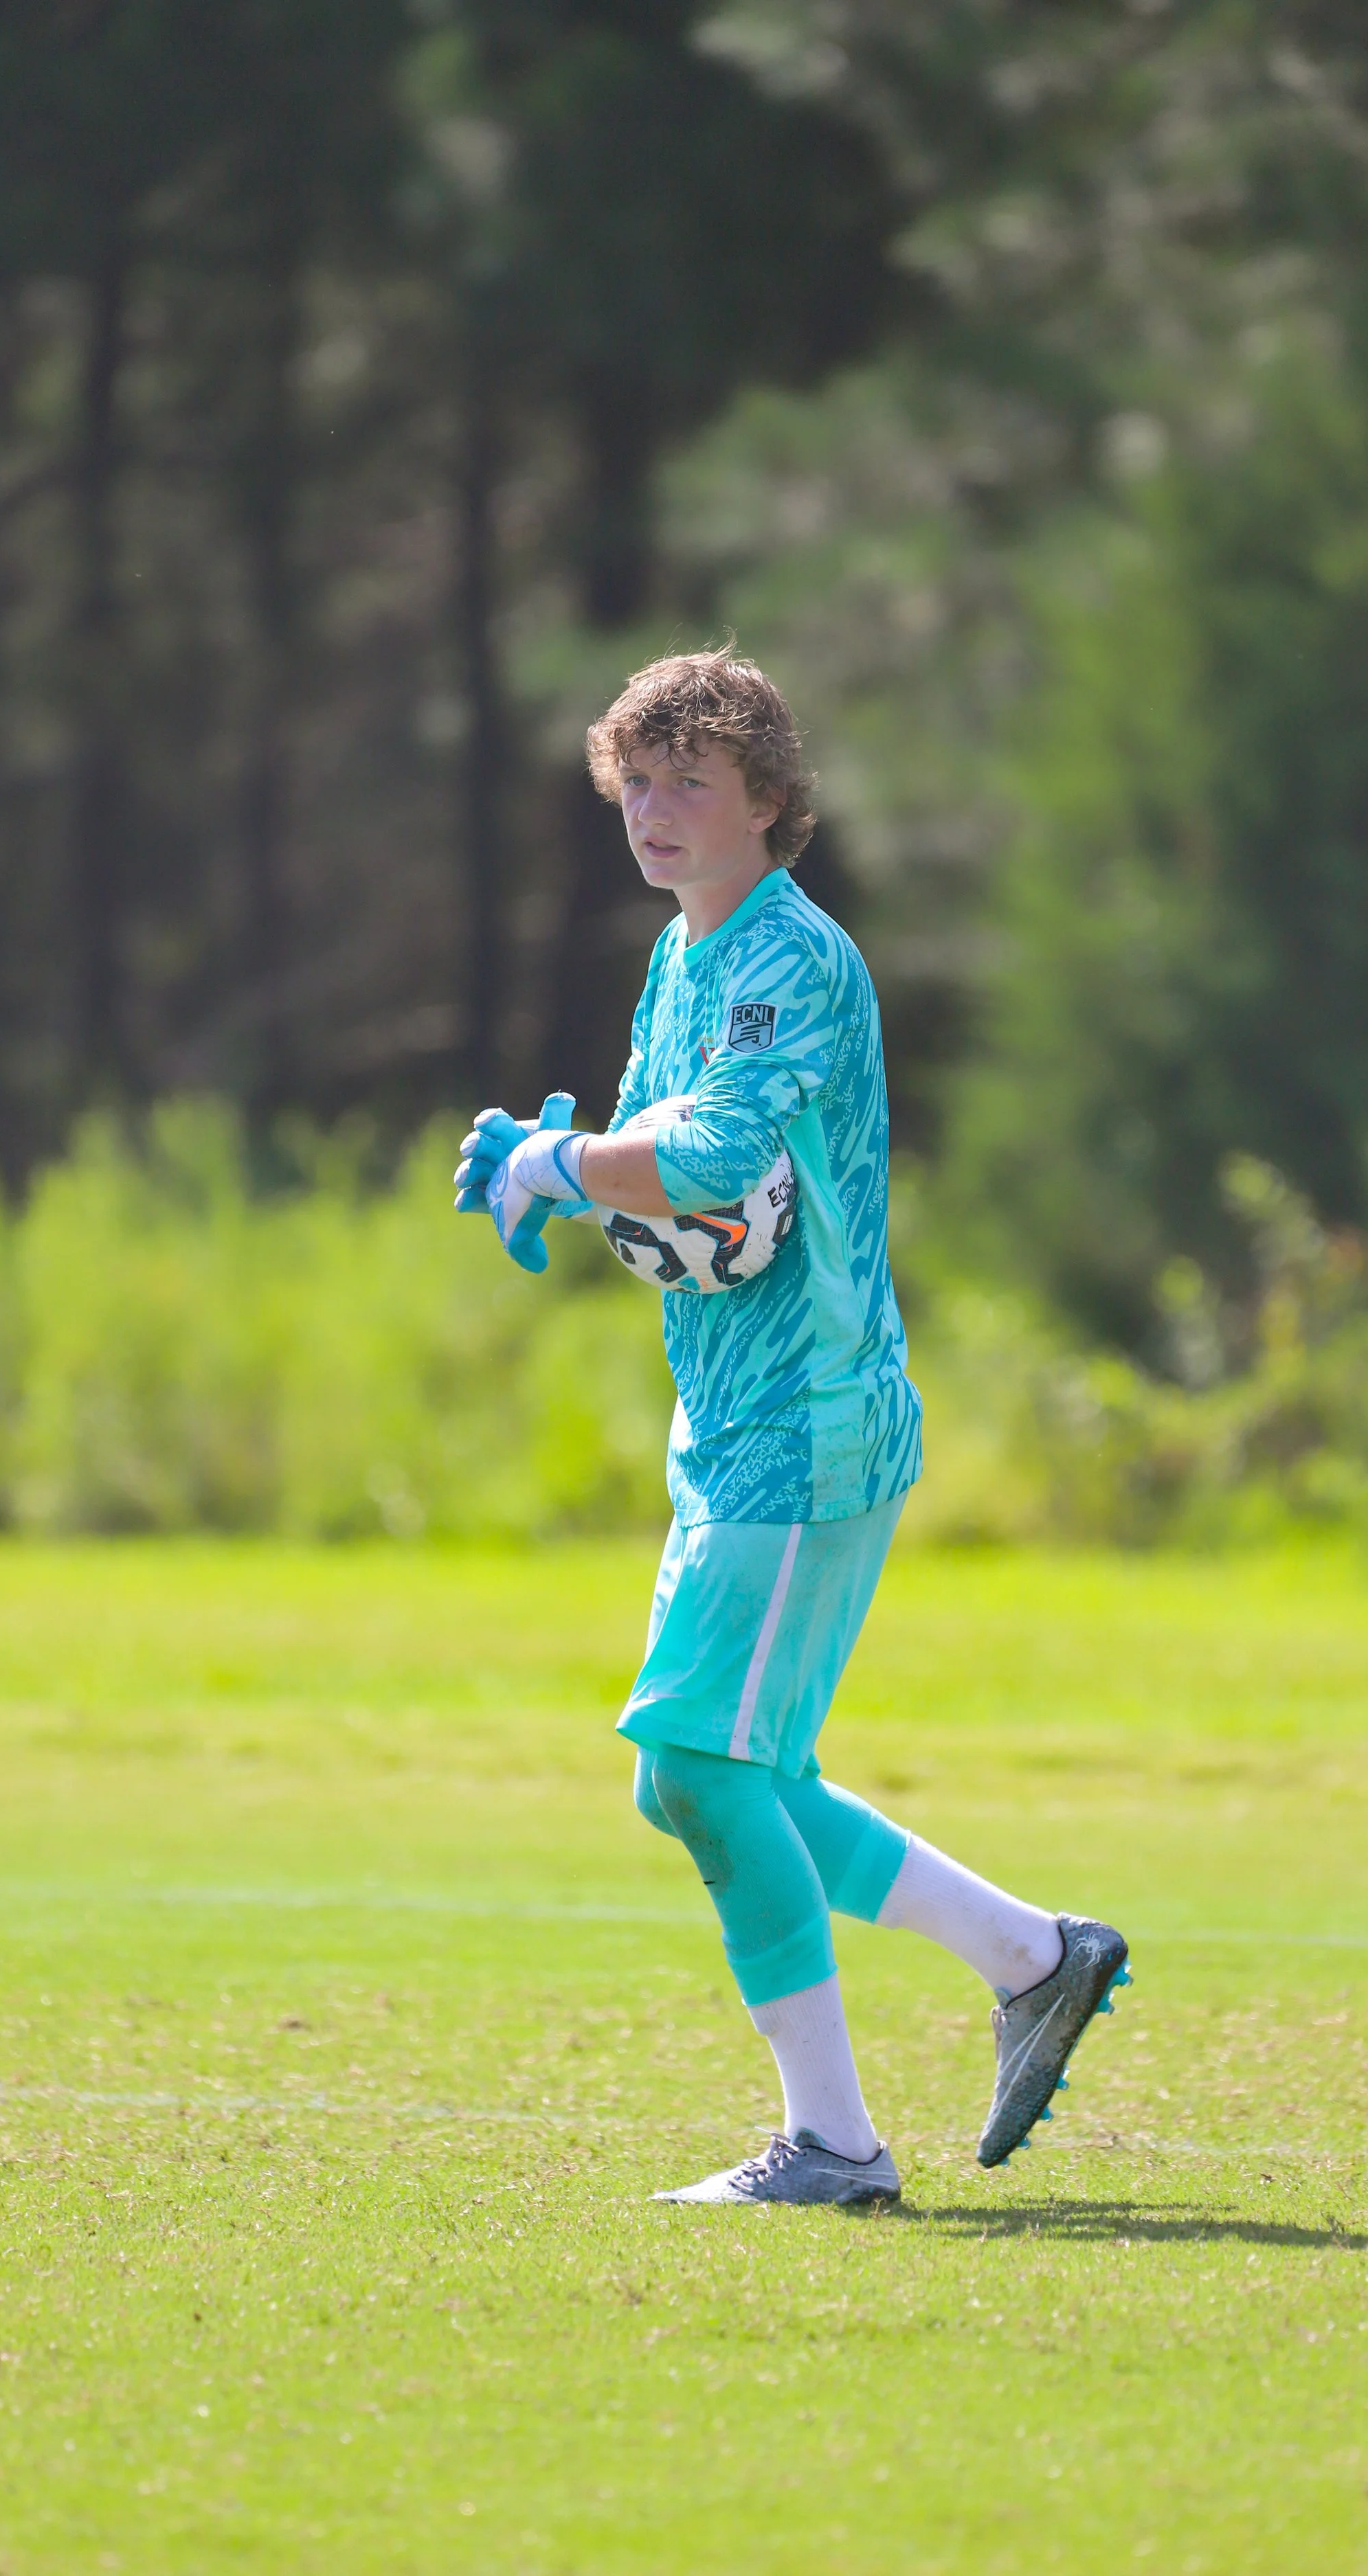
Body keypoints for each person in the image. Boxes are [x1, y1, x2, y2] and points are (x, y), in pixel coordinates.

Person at [455, 649, 1130, 2206]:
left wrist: (574, 1170)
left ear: (770, 801)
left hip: (810, 1423)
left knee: (695, 1759)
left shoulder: (787, 958)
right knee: (723, 1771)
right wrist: (551, 1153)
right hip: (733, 1421)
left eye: (691, 776)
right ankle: (1033, 1958)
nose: (655, 807)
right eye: (635, 777)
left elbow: (713, 1153)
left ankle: (831, 2144)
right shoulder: (679, 956)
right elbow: (650, 1149)